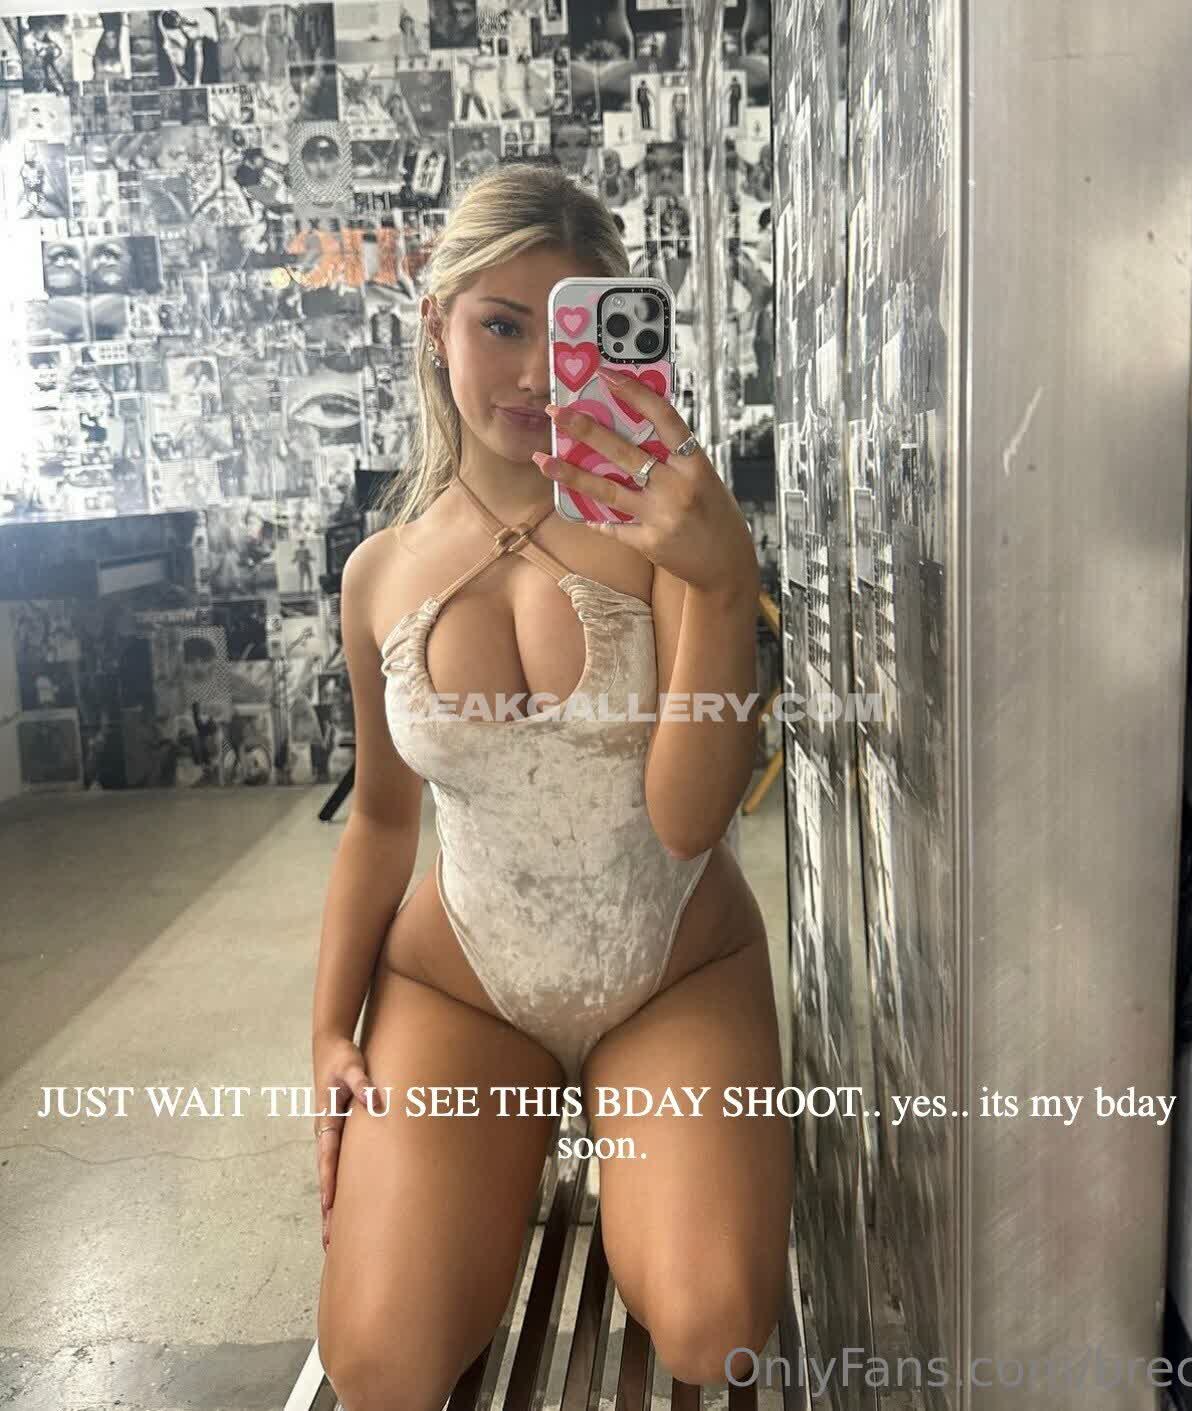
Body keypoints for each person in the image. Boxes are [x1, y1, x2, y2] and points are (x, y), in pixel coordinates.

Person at [312, 162, 791, 1402]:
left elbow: (687, 817)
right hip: (465, 981)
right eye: (500, 326)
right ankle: (500, 1158)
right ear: (438, 324)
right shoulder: (379, 574)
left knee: (715, 1330)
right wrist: (327, 1032)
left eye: (564, 331)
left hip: (671, 967)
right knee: (380, 1368)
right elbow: (380, 821)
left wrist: (723, 584)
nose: (534, 375)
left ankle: (617, 1162)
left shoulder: (671, 534)